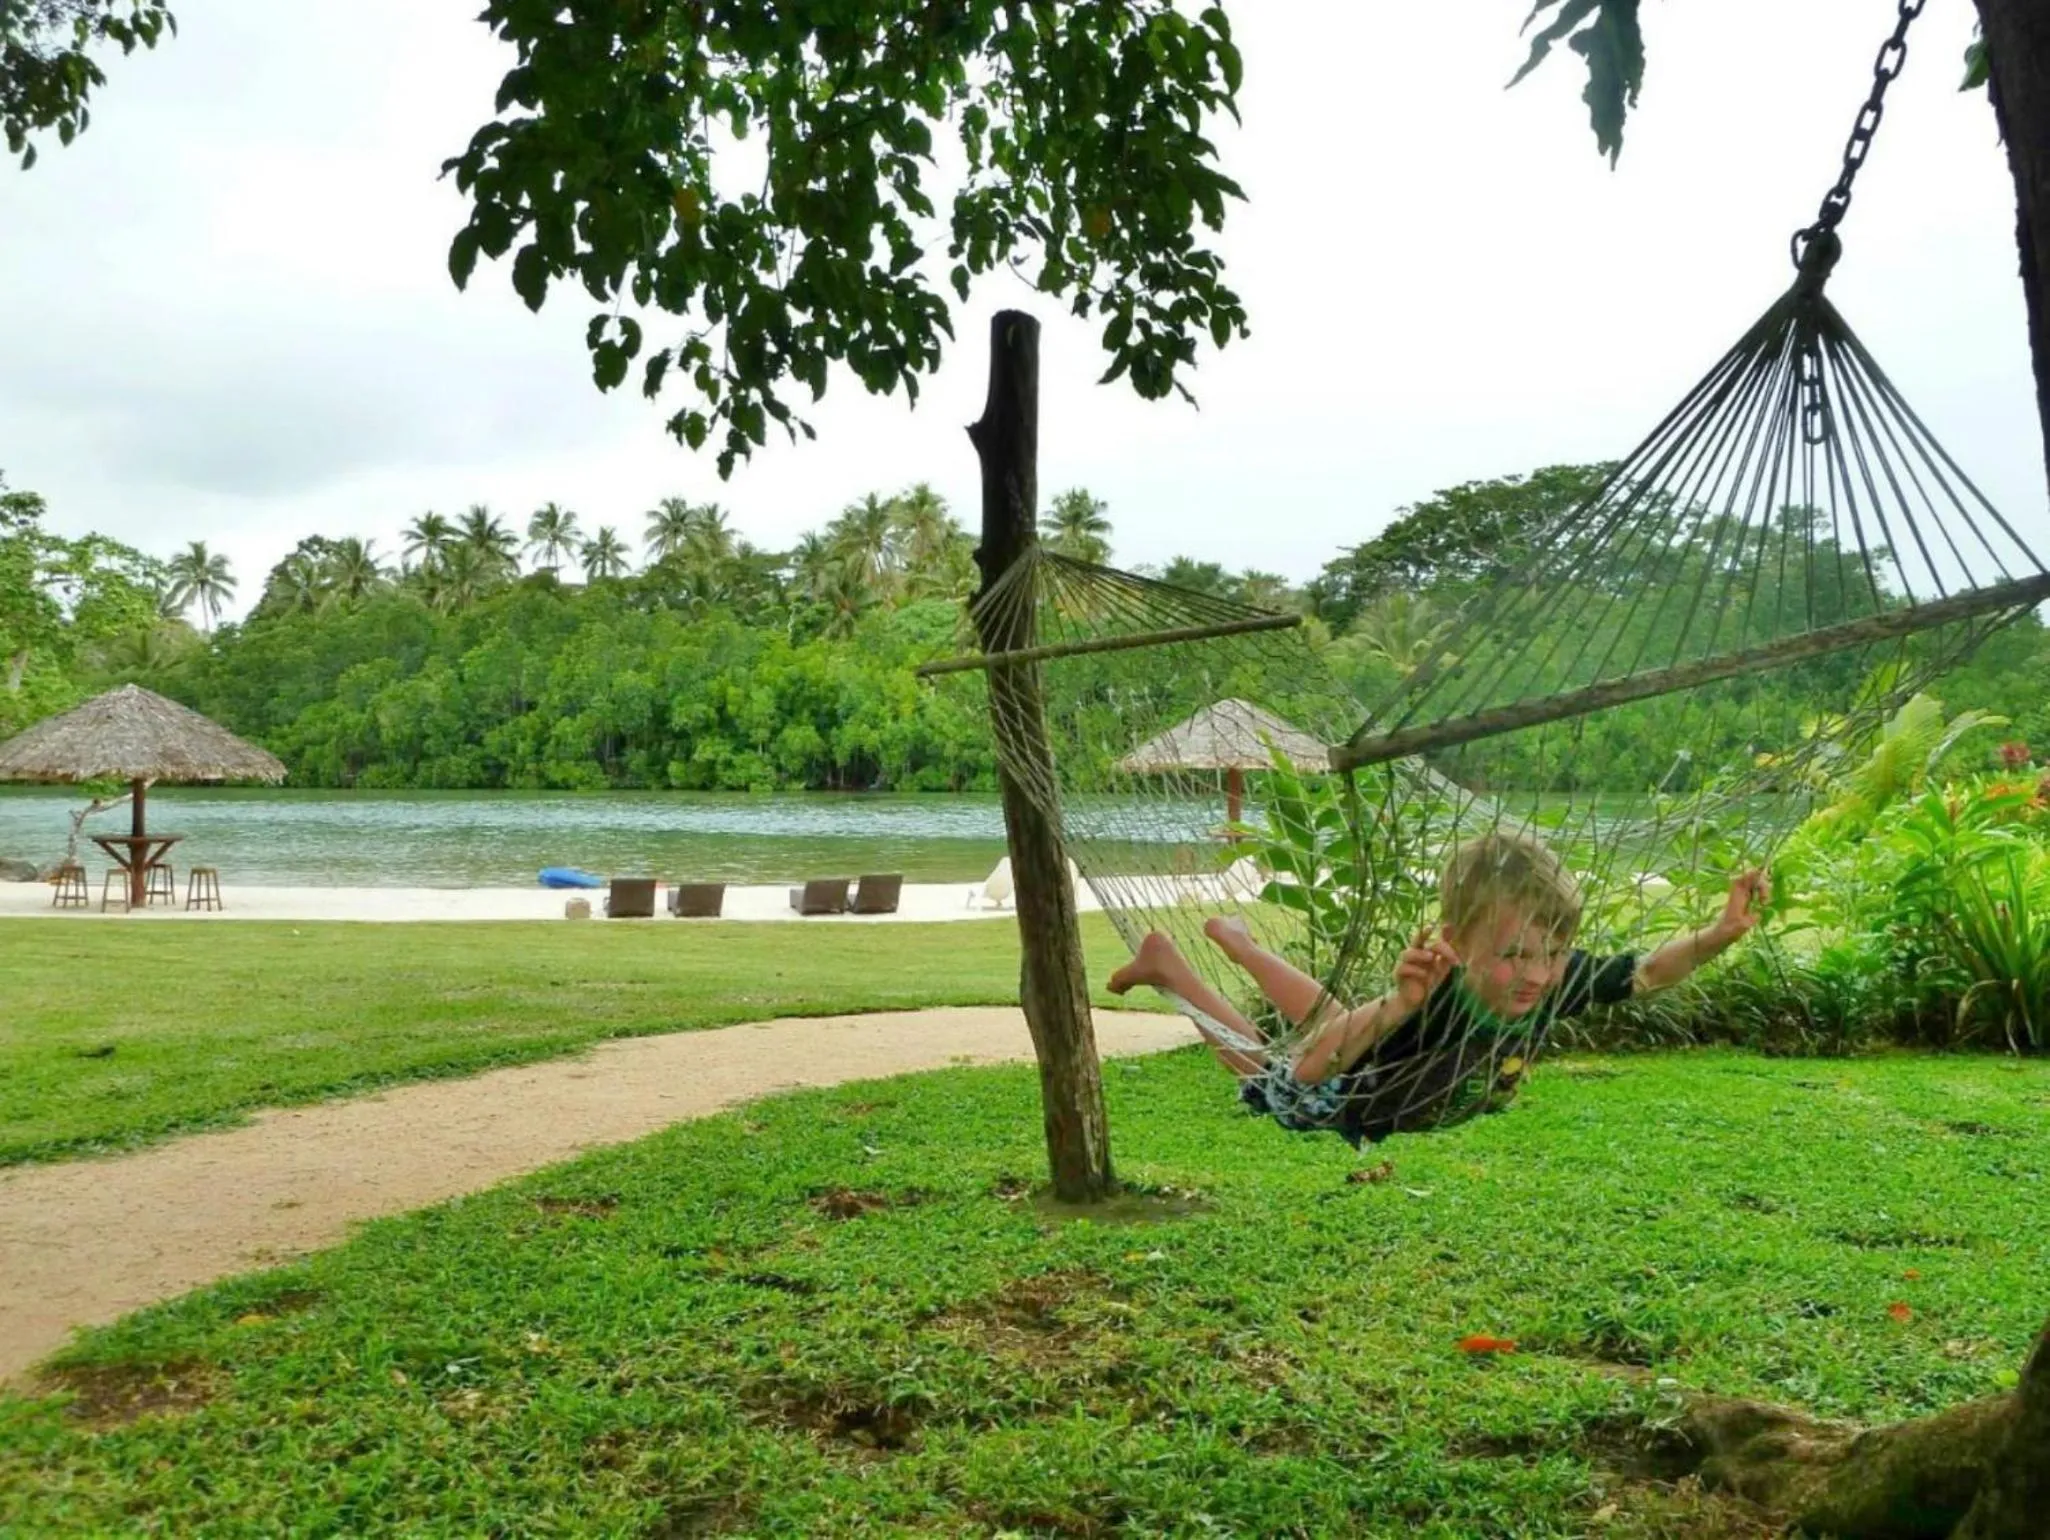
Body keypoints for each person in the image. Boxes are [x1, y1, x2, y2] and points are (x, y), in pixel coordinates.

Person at [1106, 829, 1771, 1146]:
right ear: (1459, 940)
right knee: (1266, 1071)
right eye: (1514, 954)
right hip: (1340, 1099)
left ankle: (1245, 945)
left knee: (1347, 1019)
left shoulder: (1554, 979)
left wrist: (1719, 935)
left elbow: (1649, 972)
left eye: (1554, 950)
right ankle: (1173, 969)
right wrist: (1399, 1004)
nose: (1538, 972)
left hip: (1373, 1049)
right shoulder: (1439, 995)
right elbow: (1310, 1073)